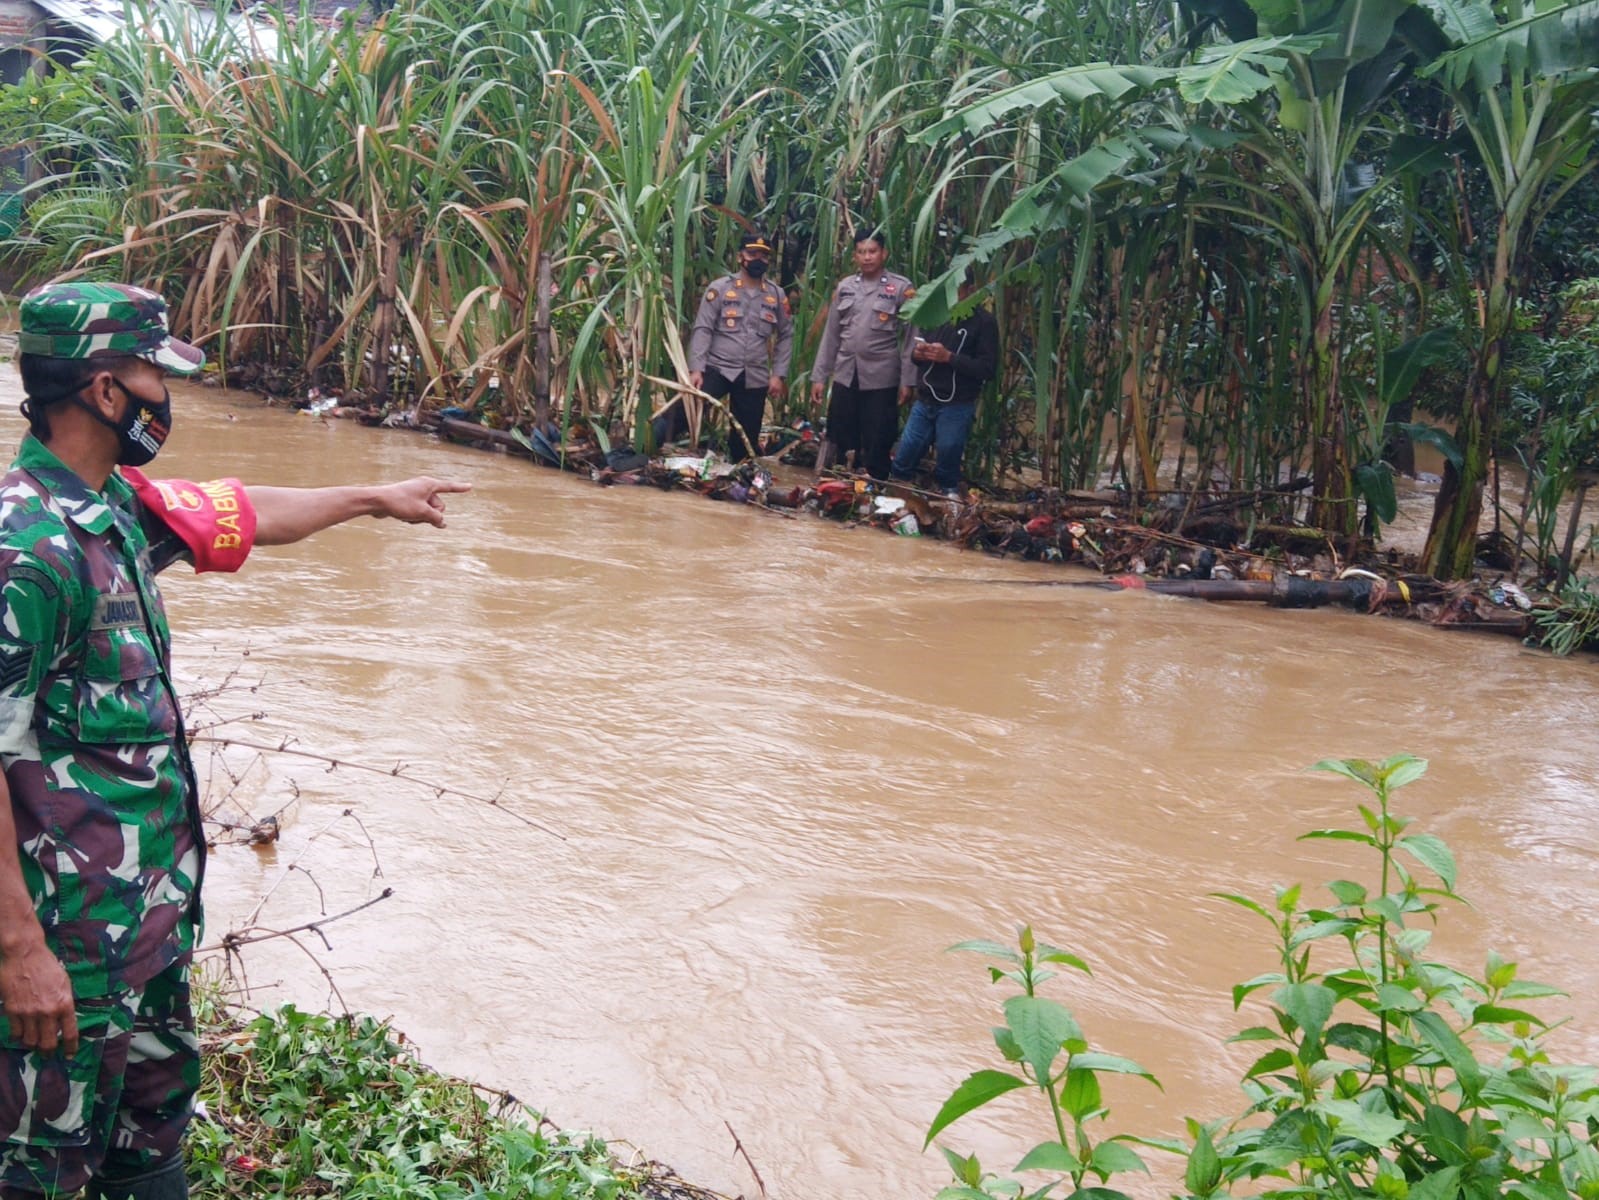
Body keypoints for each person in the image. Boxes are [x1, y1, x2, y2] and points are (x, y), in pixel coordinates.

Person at [0, 282, 469, 1200]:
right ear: (104, 390)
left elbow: (244, 507)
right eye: (155, 376)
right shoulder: (28, 548)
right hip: (62, 955)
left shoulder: (115, 509)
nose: (164, 398)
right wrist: (19, 951)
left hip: (145, 939)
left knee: (149, 1156)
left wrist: (373, 497)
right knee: (35, 1174)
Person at [658, 233, 793, 461]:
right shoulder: (720, 289)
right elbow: (703, 328)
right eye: (752, 253)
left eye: (763, 255)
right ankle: (642, 447)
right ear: (740, 257)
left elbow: (786, 334)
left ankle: (737, 471)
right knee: (681, 413)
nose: (758, 259)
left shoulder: (776, 295)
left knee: (745, 441)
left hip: (754, 374)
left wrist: (778, 374)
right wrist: (696, 369)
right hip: (717, 368)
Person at [808, 230, 917, 480]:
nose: (867, 257)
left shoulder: (901, 288)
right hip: (846, 372)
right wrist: (819, 376)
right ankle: (840, 483)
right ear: (855, 256)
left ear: (884, 253)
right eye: (861, 252)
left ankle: (875, 484)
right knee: (841, 432)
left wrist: (907, 381)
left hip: (881, 375)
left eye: (872, 251)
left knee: (878, 435)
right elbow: (831, 335)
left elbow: (912, 336)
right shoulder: (845, 287)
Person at [890, 273, 999, 498]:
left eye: (956, 292)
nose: (951, 298)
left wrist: (949, 358)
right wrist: (919, 354)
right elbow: (915, 357)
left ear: (970, 290)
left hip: (957, 403)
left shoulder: (984, 322)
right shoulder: (935, 315)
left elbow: (987, 369)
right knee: (906, 453)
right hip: (925, 399)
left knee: (949, 454)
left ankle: (949, 498)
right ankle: (895, 496)